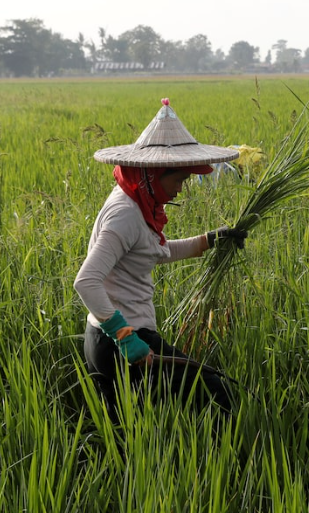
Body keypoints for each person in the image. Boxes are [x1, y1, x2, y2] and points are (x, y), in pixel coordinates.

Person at [74, 98, 247, 422]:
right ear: (154, 174)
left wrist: (210, 240)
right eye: (179, 180)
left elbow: (154, 252)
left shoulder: (137, 200)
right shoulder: (126, 214)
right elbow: (86, 281)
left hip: (109, 339)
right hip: (123, 343)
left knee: (133, 431)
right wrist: (125, 338)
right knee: (216, 395)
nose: (181, 189)